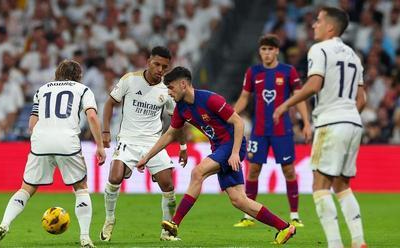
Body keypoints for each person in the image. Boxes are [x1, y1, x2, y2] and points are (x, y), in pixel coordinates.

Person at [136, 66, 296, 244]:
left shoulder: (210, 99)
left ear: (183, 84)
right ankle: (284, 227)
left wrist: (235, 153)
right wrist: (147, 157)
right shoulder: (181, 108)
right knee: (239, 200)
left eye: (171, 87)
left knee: (198, 172)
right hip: (219, 148)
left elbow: (238, 122)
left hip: (232, 145)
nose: (169, 92)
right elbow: (169, 135)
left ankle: (175, 223)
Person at [0, 60, 106, 248]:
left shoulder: (42, 90)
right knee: (80, 187)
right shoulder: (83, 90)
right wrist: (99, 146)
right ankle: (84, 237)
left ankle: (3, 225)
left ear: (57, 73)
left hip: (40, 140)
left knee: (26, 188)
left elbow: (32, 124)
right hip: (67, 141)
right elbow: (91, 116)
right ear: (78, 76)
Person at [273, 7, 367, 248]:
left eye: (318, 21)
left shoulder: (320, 49)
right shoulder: (353, 55)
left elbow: (314, 84)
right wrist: (348, 115)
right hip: (353, 122)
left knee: (320, 186)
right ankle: (358, 241)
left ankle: (335, 244)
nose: (314, 25)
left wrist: (285, 105)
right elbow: (362, 99)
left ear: (330, 28)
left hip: (331, 122)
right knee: (342, 185)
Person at [100, 46, 187, 242]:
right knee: (114, 177)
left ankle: (166, 231)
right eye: (156, 64)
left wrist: (183, 147)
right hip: (128, 141)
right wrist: (105, 131)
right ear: (148, 61)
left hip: (153, 143)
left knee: (168, 185)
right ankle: (109, 219)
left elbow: (177, 121)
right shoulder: (130, 80)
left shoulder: (167, 89)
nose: (160, 69)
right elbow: (109, 104)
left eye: (164, 66)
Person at [233, 34, 311, 228]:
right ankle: (248, 217)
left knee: (289, 170)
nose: (266, 53)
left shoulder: (288, 71)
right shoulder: (253, 72)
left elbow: (299, 97)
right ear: (260, 52)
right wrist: (231, 114)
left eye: (270, 49)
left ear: (277, 51)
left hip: (282, 130)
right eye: (263, 49)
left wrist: (306, 122)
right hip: (259, 131)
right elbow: (244, 97)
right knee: (253, 171)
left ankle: (294, 215)